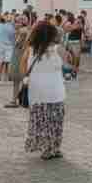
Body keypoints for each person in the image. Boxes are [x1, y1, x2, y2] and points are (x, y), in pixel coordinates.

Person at [23, 21, 66, 160]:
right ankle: (54, 147)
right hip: (55, 91)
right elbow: (68, 62)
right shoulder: (58, 49)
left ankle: (45, 148)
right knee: (55, 121)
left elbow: (24, 68)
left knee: (41, 120)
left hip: (37, 92)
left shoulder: (30, 50)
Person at [7, 15, 30, 107]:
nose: (14, 24)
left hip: (19, 57)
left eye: (17, 22)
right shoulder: (21, 31)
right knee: (20, 80)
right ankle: (18, 99)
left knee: (17, 80)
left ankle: (15, 100)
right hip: (19, 56)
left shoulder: (23, 31)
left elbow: (19, 44)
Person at [0, 14, 16, 85]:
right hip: (9, 46)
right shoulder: (12, 27)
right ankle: (9, 78)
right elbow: (13, 38)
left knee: (1, 62)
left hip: (1, 45)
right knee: (8, 62)